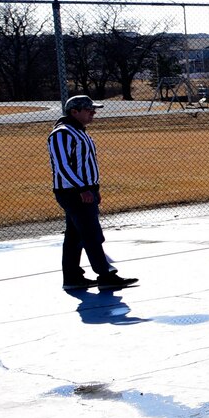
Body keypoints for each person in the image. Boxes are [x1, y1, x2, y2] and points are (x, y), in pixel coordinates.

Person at [49, 94, 137, 289]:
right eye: (89, 110)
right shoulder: (62, 133)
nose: (93, 113)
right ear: (74, 112)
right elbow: (62, 166)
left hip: (85, 191)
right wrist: (82, 189)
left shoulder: (80, 132)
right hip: (73, 193)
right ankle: (105, 276)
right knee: (91, 233)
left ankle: (72, 277)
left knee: (75, 235)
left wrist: (94, 189)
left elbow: (85, 165)